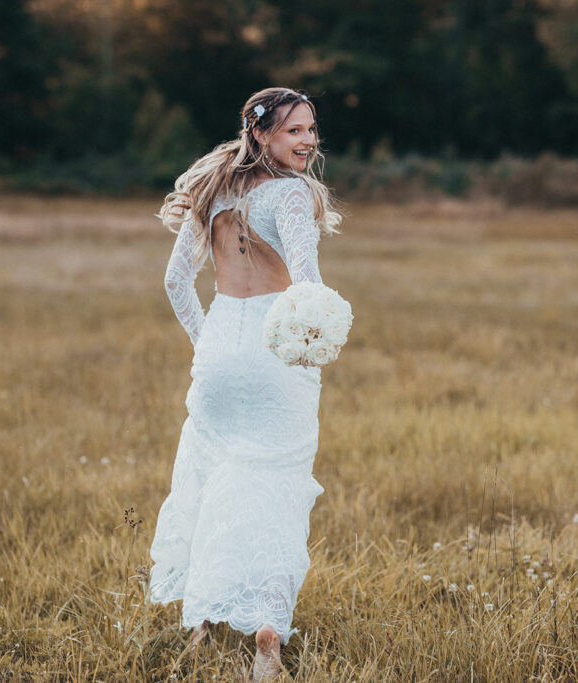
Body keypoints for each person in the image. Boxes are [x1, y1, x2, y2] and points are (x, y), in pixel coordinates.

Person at [147, 87, 341, 681]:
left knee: (210, 478)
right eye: (294, 132)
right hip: (276, 350)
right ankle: (267, 637)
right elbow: (307, 287)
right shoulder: (294, 194)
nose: (308, 141)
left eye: (311, 129)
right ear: (261, 134)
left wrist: (207, 342)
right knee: (278, 486)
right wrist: (312, 346)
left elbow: (177, 283)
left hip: (219, 347)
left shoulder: (213, 190)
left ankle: (201, 621)